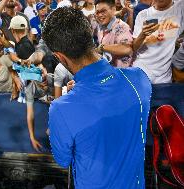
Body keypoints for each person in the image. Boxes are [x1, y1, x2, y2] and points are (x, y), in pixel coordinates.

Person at [43, 7, 151, 189]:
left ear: (59, 57)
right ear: (90, 35)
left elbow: (63, 160)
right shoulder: (140, 79)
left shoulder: (61, 109)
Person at [132, 0, 184, 84]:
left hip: (164, 77)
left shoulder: (180, 8)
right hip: (141, 70)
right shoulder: (143, 14)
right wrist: (143, 34)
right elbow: (134, 47)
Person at [95, 0, 133, 68]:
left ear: (113, 10)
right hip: (109, 72)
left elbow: (127, 49)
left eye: (103, 11)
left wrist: (102, 47)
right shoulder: (100, 27)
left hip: (122, 74)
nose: (100, 15)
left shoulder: (121, 27)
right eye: (97, 12)